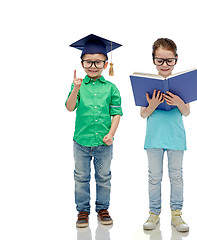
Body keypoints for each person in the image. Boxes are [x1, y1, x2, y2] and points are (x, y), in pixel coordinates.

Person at [66, 34, 123, 228]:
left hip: (104, 143)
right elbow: (69, 107)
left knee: (104, 177)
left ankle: (102, 209)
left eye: (97, 62)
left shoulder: (111, 88)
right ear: (82, 63)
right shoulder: (79, 86)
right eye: (88, 62)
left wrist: (111, 134)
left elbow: (116, 114)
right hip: (81, 142)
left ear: (106, 64)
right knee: (81, 177)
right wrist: (75, 89)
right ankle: (82, 211)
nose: (92, 66)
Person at [140, 38, 190, 232]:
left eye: (169, 60)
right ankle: (154, 213)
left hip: (176, 138)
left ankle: (176, 214)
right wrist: (151, 105)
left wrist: (178, 101)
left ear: (176, 59)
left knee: (176, 177)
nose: (165, 65)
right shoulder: (147, 83)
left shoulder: (181, 84)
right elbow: (143, 113)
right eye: (160, 60)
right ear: (153, 60)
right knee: (154, 177)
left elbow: (186, 112)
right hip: (153, 138)